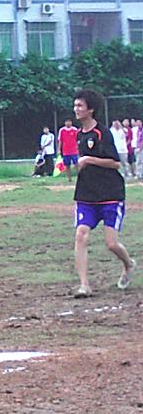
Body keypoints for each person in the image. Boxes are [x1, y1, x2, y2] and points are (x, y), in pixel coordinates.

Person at [72, 90, 136, 298]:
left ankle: (128, 264)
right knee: (81, 234)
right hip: (86, 195)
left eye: (80, 105)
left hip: (110, 194)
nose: (76, 109)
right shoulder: (79, 134)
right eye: (75, 105)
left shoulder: (103, 133)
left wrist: (89, 160)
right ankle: (84, 285)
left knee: (111, 244)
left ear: (90, 109)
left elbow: (115, 163)